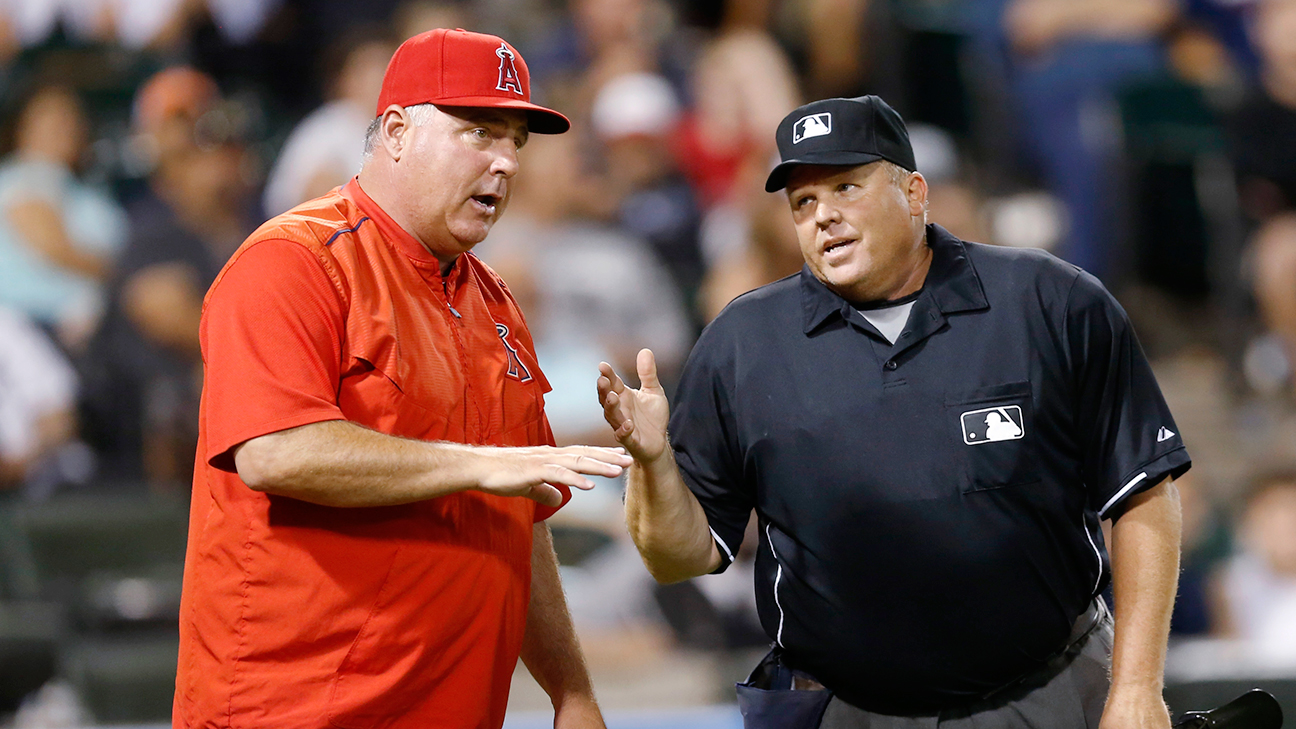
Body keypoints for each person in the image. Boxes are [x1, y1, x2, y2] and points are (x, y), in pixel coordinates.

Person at [598, 95, 1190, 728]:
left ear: (913, 192)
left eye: (846, 187)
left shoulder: (1050, 302)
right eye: (802, 202)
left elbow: (1142, 493)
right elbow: (678, 557)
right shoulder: (743, 343)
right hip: (843, 710)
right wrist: (653, 464)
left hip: (1046, 693)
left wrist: (1135, 687)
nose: (823, 216)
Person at [174, 28, 631, 729]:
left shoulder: (497, 303)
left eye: (516, 140)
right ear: (394, 131)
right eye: (479, 132)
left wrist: (571, 690)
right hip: (296, 710)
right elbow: (275, 452)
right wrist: (479, 463)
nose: (506, 161)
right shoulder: (292, 262)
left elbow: (519, 509)